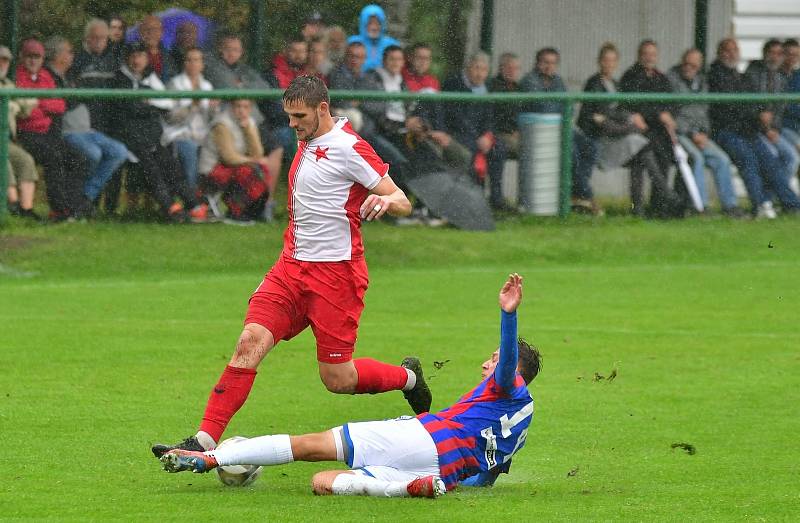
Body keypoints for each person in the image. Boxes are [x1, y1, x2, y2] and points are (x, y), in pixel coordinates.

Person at [152, 75, 424, 459]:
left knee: (338, 379)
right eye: (289, 116)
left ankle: (408, 378)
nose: (292, 124)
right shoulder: (306, 139)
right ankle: (203, 441)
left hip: (336, 276)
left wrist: (386, 203)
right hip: (290, 269)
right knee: (249, 342)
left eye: (299, 116)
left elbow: (401, 198)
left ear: (323, 110)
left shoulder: (349, 147)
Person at [160, 273, 540, 499]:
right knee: (322, 483)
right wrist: (456, 480)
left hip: (422, 437)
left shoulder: (507, 383)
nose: (487, 363)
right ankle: (407, 488)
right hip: (442, 471)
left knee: (307, 447)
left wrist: (509, 317)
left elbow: (506, 365)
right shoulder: (521, 420)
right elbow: (486, 477)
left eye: (492, 357)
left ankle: (208, 458)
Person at [108, 43, 207, 222]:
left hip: (151, 136)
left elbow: (167, 103)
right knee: (151, 167)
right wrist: (150, 104)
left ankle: (194, 204)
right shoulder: (119, 79)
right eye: (133, 56)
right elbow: (129, 107)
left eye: (141, 56)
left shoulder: (150, 77)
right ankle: (170, 208)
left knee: (170, 164)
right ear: (127, 58)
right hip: (130, 138)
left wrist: (148, 102)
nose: (136, 60)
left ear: (146, 59)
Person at [577, 42, 678, 218]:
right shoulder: (594, 84)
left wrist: (629, 118)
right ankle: (666, 193)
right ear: (599, 61)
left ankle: (638, 208)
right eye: (606, 60)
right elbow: (600, 119)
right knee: (640, 144)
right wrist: (629, 125)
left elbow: (616, 113)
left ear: (616, 63)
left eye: (612, 61)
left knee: (640, 152)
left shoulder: (615, 85)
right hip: (601, 140)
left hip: (618, 135)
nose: (609, 64)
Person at [709, 38, 800, 218]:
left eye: (735, 50)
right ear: (720, 53)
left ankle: (792, 205)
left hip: (748, 130)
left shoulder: (739, 75)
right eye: (728, 50)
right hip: (727, 131)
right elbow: (733, 108)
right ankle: (759, 204)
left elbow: (753, 103)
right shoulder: (715, 75)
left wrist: (759, 114)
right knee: (748, 160)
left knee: (770, 161)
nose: (732, 53)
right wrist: (757, 115)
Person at [45, 35, 129, 218]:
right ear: (58, 55)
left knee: (119, 151)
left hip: (88, 131)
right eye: (69, 51)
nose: (72, 55)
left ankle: (85, 197)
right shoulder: (49, 76)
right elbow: (61, 105)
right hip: (68, 132)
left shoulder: (70, 74)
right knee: (93, 154)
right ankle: (76, 201)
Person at [521, 47, 600, 215]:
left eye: (553, 63)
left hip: (561, 127)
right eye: (545, 62)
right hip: (540, 131)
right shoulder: (529, 80)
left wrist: (560, 107)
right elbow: (542, 106)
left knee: (590, 147)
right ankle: (587, 196)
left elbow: (568, 107)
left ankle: (575, 194)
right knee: (571, 151)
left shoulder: (558, 81)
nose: (549, 66)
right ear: (537, 63)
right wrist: (559, 106)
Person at [667, 49, 744, 217]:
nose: (689, 68)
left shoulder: (702, 82)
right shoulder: (671, 80)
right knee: (697, 159)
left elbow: (705, 112)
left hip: (699, 135)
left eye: (693, 65)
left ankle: (730, 205)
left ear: (699, 66)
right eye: (686, 63)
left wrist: (703, 133)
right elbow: (673, 114)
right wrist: (691, 132)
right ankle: (700, 207)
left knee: (722, 159)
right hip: (680, 134)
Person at [620, 40, 687, 218]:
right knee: (655, 154)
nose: (649, 58)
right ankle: (663, 201)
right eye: (646, 54)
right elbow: (634, 105)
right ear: (639, 55)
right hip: (641, 130)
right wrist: (659, 113)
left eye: (653, 54)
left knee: (671, 157)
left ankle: (660, 204)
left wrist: (668, 115)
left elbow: (672, 103)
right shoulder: (630, 77)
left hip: (660, 130)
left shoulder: (660, 77)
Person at [14, 38, 73, 222]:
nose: (33, 61)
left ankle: (76, 206)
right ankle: (59, 210)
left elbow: (60, 106)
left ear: (42, 59)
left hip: (47, 132)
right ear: (22, 57)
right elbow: (25, 113)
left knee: (78, 157)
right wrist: (44, 102)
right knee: (53, 157)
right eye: (29, 56)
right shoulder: (17, 76)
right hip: (26, 133)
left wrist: (38, 101)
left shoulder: (46, 76)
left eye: (37, 57)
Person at [442, 52, 509, 211]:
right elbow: (454, 117)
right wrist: (477, 138)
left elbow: (490, 117)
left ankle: (496, 198)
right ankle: (470, 200)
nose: (480, 73)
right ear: (468, 68)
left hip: (480, 136)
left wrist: (487, 135)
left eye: (484, 70)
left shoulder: (487, 88)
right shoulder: (453, 84)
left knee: (499, 149)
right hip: (457, 133)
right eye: (476, 68)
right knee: (468, 151)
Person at [197, 99, 270, 223]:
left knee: (261, 169)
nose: (241, 110)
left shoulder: (249, 122)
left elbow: (258, 153)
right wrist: (253, 160)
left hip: (234, 165)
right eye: (238, 106)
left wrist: (249, 131)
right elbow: (229, 157)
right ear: (231, 107)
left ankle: (254, 210)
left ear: (250, 109)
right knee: (246, 172)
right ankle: (236, 211)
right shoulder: (221, 124)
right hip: (212, 169)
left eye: (246, 107)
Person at [745, 39, 800, 182]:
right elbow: (749, 105)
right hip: (756, 130)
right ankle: (775, 197)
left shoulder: (780, 78)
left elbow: (779, 108)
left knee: (791, 157)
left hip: (776, 129)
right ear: (764, 54)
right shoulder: (753, 73)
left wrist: (773, 127)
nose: (775, 57)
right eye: (772, 53)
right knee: (777, 155)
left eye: (778, 53)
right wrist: (767, 127)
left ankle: (781, 195)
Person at [164, 47, 217, 193]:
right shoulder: (174, 84)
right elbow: (170, 117)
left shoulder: (207, 86)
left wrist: (214, 109)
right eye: (189, 60)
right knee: (190, 149)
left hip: (204, 135)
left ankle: (209, 199)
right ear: (184, 63)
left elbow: (212, 118)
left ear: (202, 64)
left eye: (196, 60)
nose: (192, 63)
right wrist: (192, 105)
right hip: (180, 135)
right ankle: (193, 201)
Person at [1, 45, 40, 220]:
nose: (2, 64)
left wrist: (19, 105)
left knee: (26, 160)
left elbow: (28, 107)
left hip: (6, 140)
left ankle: (26, 210)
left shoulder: (9, 85)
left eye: (5, 61)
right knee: (4, 163)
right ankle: (13, 206)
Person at [69, 18, 118, 133]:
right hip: (85, 117)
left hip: (109, 117)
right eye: (95, 37)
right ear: (87, 38)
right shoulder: (77, 59)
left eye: (102, 38)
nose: (99, 41)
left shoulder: (112, 60)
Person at [347, 4, 400, 73]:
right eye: (370, 23)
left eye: (378, 23)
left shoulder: (392, 44)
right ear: (363, 24)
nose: (374, 27)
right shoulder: (352, 42)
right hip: (356, 81)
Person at [488, 52, 523, 158]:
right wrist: (512, 131)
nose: (513, 71)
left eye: (516, 68)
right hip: (498, 134)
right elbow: (495, 117)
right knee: (526, 148)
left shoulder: (519, 88)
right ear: (501, 68)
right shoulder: (492, 87)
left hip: (518, 133)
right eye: (509, 68)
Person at [138, 14, 173, 83]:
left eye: (155, 29)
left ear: (161, 32)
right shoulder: (131, 55)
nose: (151, 33)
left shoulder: (170, 56)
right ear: (140, 32)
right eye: (147, 29)